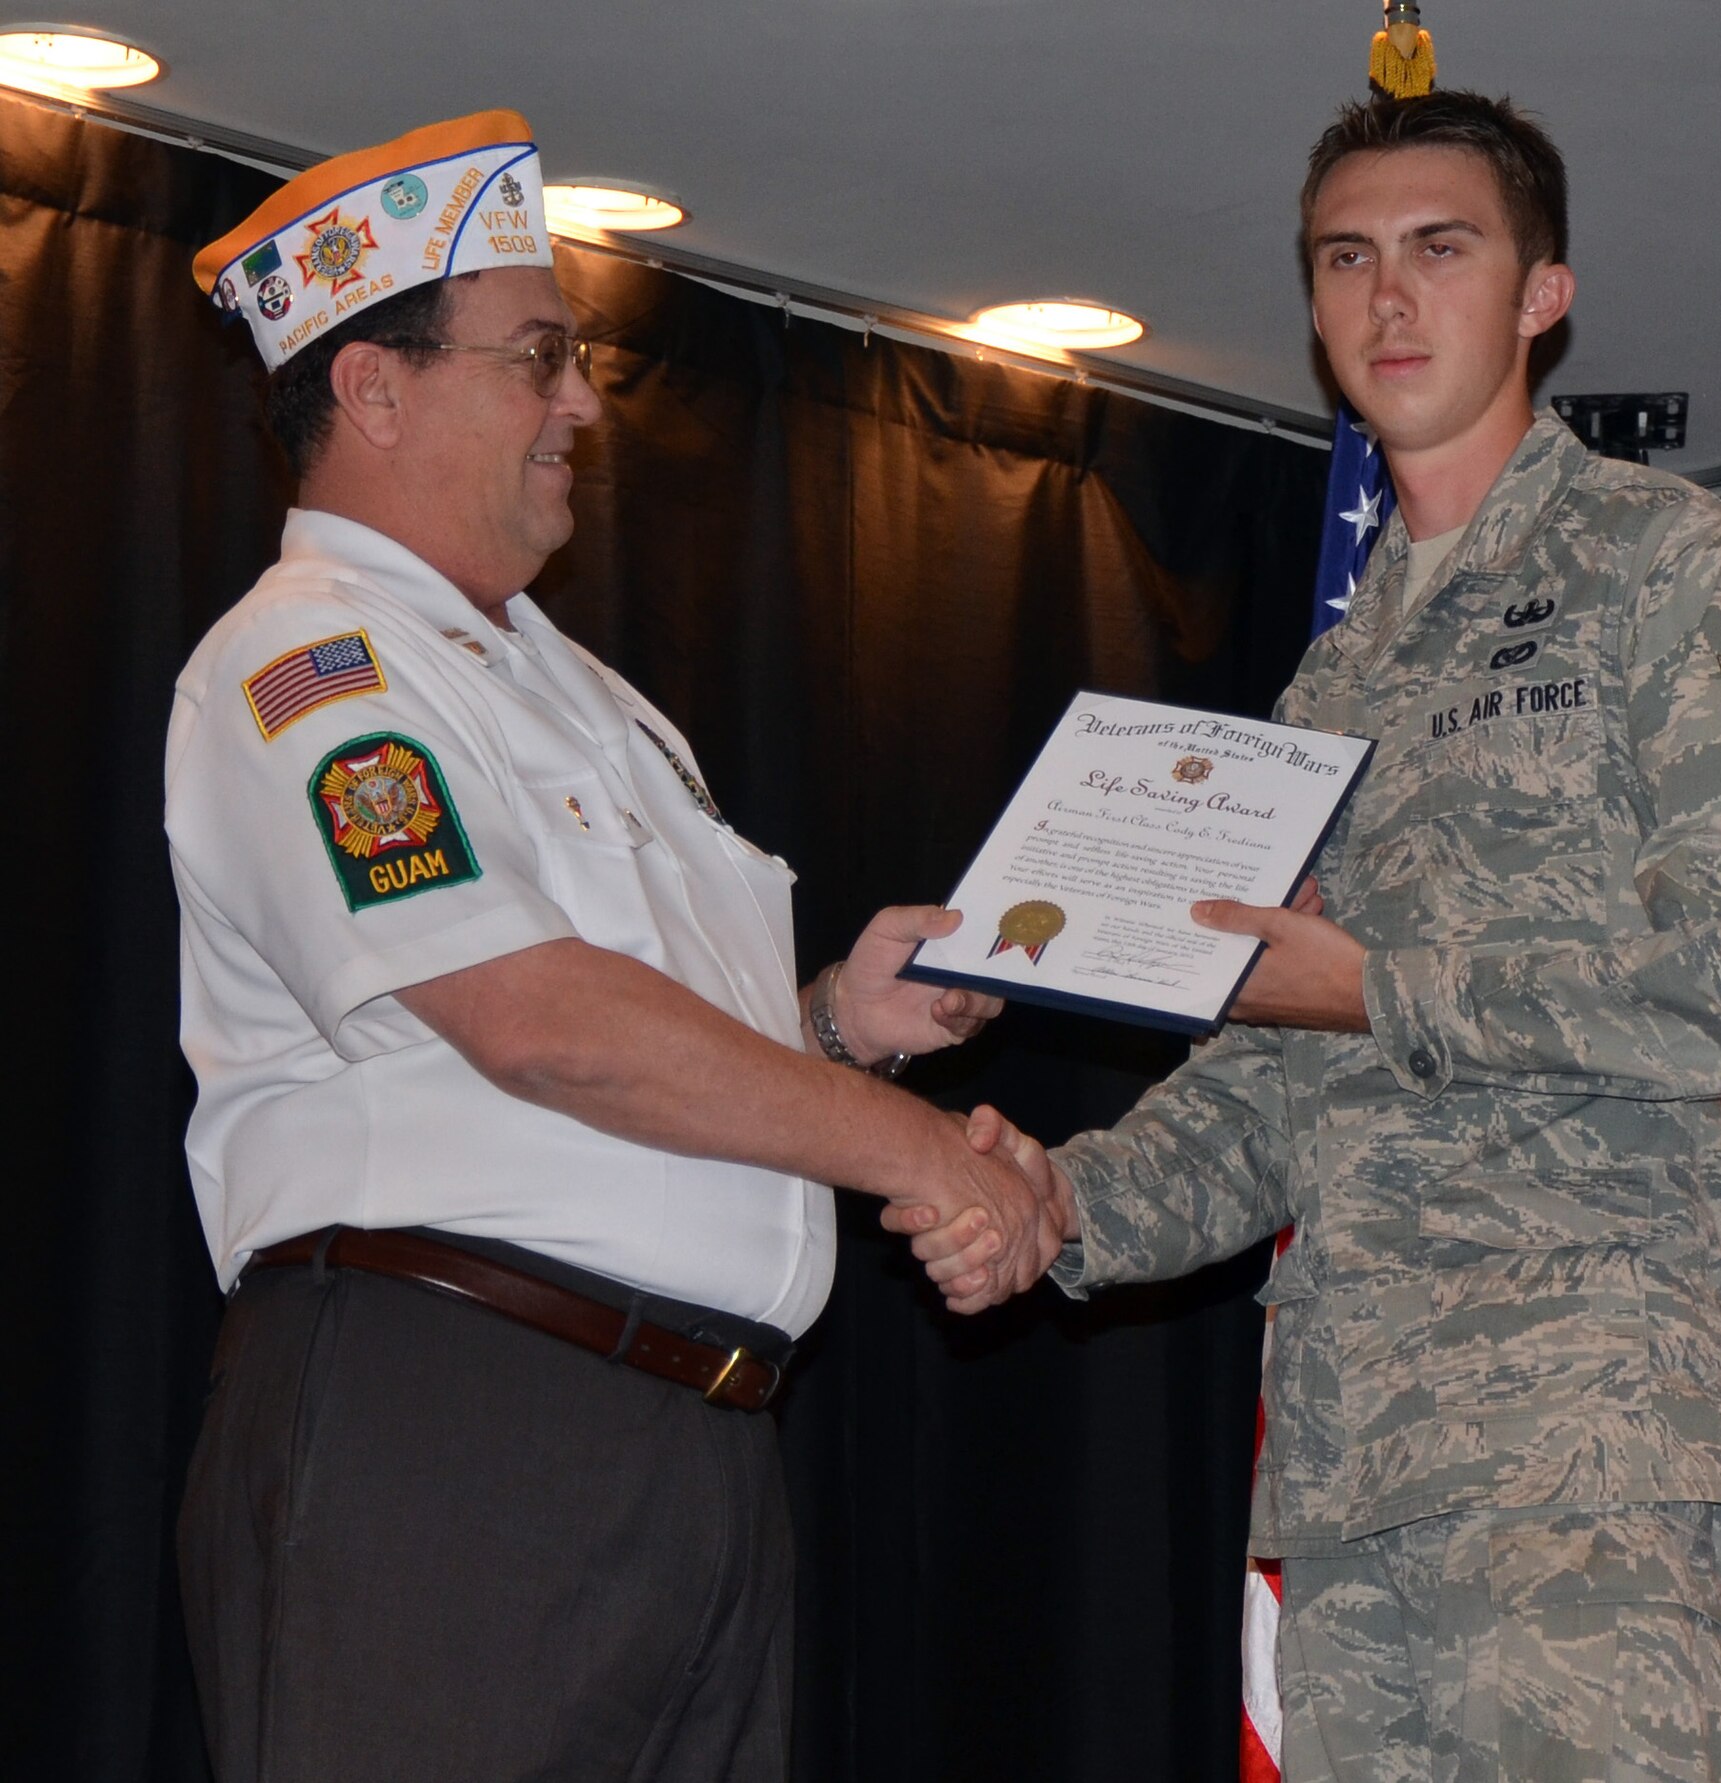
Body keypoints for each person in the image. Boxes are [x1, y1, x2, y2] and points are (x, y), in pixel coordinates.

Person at [899, 90, 1721, 1781]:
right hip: (1356, 1475)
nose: (1389, 299)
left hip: (1580, 1445)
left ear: (1542, 295)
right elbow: (1273, 1081)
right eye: (1346, 260)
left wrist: (1386, 991)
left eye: (1442, 250)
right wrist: (1061, 1207)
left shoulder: (1665, 563)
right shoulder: (1335, 679)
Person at [168, 111, 1063, 1783]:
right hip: (456, 1422)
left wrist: (831, 1028)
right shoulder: (314, 671)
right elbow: (538, 1025)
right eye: (539, 359)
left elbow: (639, 1041)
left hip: (698, 1445)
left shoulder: (589, 696)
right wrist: (922, 1152)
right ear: (375, 390)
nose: (583, 402)